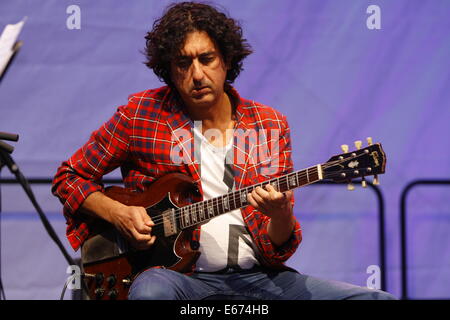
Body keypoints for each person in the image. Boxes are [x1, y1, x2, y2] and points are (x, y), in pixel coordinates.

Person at [52, 2, 395, 300]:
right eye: (183, 63)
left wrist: (280, 214)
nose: (197, 74)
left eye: (206, 58)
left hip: (259, 278)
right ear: (169, 71)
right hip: (177, 279)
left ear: (227, 60)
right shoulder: (141, 113)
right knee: (152, 291)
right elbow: (69, 177)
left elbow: (277, 249)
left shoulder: (269, 125)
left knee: (376, 298)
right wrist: (118, 213)